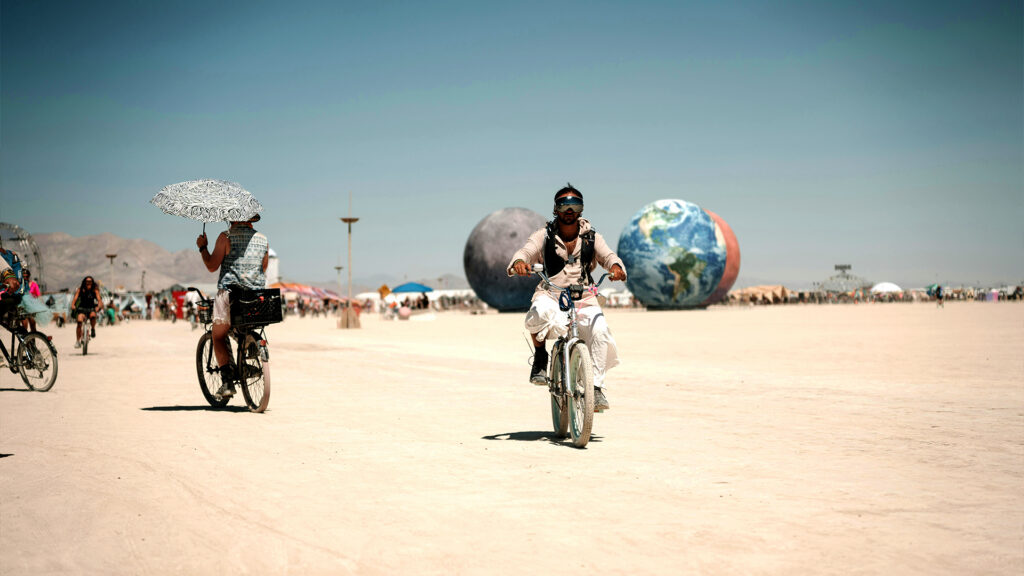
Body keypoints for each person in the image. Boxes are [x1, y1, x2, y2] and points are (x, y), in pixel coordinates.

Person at [508, 183, 627, 412]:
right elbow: (524, 252)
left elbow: (609, 256)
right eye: (564, 204)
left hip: (584, 296)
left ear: (581, 209)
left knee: (600, 331)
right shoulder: (543, 236)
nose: (569, 209)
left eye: (575, 204)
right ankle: (541, 357)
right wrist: (519, 263)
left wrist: (616, 267)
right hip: (552, 293)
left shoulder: (592, 237)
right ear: (556, 209)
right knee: (538, 313)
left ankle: (596, 387)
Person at [197, 215, 269, 399]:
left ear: (232, 219)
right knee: (243, 327)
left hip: (230, 295)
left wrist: (203, 247)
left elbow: (212, 266)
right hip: (255, 298)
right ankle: (249, 347)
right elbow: (264, 267)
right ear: (251, 221)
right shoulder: (263, 239)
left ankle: (228, 382)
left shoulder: (225, 237)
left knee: (218, 335)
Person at [72, 276, 103, 348]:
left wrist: (98, 306)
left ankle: (93, 329)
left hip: (91, 308)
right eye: (87, 282)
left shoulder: (95, 290)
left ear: (92, 282)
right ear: (84, 282)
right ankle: (77, 341)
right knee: (79, 322)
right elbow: (75, 298)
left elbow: (99, 300)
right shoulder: (80, 290)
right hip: (82, 308)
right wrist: (73, 305)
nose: (88, 283)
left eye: (90, 282)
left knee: (93, 316)